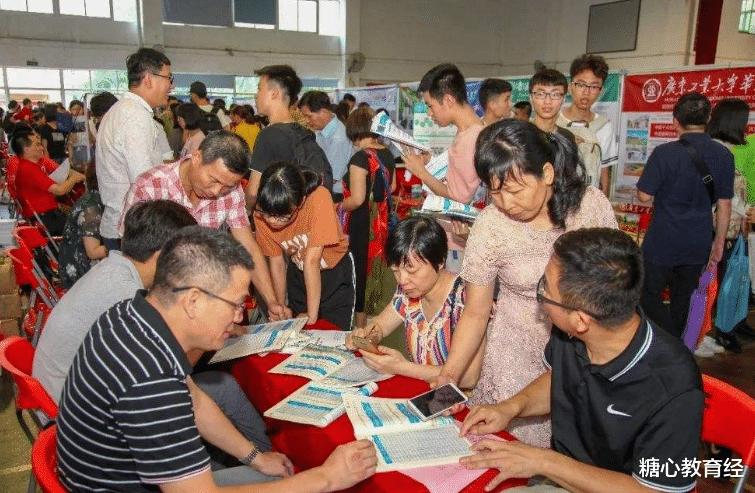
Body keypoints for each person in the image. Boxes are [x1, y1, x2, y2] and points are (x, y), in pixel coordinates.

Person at [55, 226, 377, 492]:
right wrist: (326, 477)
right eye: (236, 304)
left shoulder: (131, 316)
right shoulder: (150, 381)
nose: (239, 316)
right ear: (194, 300)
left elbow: (194, 400)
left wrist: (255, 457)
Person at [459, 228, 703, 493]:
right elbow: (561, 378)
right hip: (560, 478)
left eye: (545, 290)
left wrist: (542, 461)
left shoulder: (674, 386)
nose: (541, 298)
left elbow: (653, 491)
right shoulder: (571, 332)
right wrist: (511, 408)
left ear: (581, 320)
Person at [436, 119, 617, 448]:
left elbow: (616, 283)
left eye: (515, 190)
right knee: (514, 451)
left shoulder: (590, 207)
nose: (505, 203)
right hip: (517, 354)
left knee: (578, 452)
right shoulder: (491, 225)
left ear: (547, 173)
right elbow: (476, 314)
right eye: (495, 191)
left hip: (585, 349)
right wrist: (449, 376)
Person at [121, 130, 289, 322]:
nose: (218, 191)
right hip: (157, 299)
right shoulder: (150, 186)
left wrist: (272, 302)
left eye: (228, 186)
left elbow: (248, 247)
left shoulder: (232, 192)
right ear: (196, 157)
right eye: (213, 180)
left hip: (203, 294)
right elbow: (132, 258)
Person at [637, 92, 734, 338]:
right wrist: (719, 243)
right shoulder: (724, 155)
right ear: (709, 118)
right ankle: (678, 345)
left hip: (663, 238)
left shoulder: (664, 153)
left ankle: (663, 339)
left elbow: (644, 197)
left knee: (646, 293)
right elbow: (724, 204)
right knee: (684, 298)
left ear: (675, 120)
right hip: (699, 239)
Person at [345, 216, 483, 386]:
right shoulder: (408, 293)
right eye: (396, 270)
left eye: (412, 271)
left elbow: (469, 377)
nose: (402, 280)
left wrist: (402, 367)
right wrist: (365, 336)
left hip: (462, 402)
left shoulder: (466, 300)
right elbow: (380, 326)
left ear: (439, 261)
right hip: (422, 390)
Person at [254, 162, 355, 330]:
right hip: (299, 273)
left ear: (300, 201)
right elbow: (277, 263)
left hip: (333, 273)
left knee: (333, 333)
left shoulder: (318, 198)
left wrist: (311, 315)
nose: (273, 222)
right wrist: (280, 307)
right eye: (268, 215)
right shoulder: (261, 211)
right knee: (299, 335)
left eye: (283, 217)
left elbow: (312, 261)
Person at [96, 47, 175, 251]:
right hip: (131, 231)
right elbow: (144, 182)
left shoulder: (123, 110)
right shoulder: (135, 117)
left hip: (124, 225)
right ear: (149, 79)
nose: (171, 86)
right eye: (168, 78)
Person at [701, 98, 751, 354]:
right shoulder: (717, 152)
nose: (748, 125)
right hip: (714, 231)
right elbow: (719, 198)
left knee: (714, 285)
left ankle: (702, 333)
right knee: (704, 286)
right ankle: (695, 337)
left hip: (726, 231)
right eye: (745, 120)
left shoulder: (724, 150)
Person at [341, 107, 396, 329]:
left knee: (359, 273)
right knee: (375, 268)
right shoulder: (387, 153)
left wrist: (337, 205)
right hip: (381, 222)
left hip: (362, 223)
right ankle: (374, 325)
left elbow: (356, 199)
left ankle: (361, 329)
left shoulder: (360, 158)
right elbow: (390, 187)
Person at [246, 65, 333, 206]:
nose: (256, 95)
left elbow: (253, 193)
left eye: (259, 89)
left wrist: (246, 213)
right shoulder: (304, 132)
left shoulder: (268, 135)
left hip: (276, 218)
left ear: (274, 93)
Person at [402, 63, 484, 205]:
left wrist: (421, 172)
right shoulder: (468, 130)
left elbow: (459, 198)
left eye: (430, 105)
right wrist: (430, 161)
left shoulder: (470, 138)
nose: (429, 112)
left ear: (448, 100)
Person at [557, 54, 618, 196]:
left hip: (588, 203)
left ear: (601, 91)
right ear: (571, 86)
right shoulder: (554, 122)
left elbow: (604, 173)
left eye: (594, 86)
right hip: (555, 203)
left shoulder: (604, 126)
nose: (586, 92)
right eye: (581, 84)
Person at [10, 130, 85, 235]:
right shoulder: (29, 169)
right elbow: (60, 190)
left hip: (46, 216)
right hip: (47, 220)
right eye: (38, 145)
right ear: (26, 150)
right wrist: (74, 178)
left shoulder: (29, 167)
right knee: (87, 227)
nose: (42, 148)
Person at [299, 90, 355, 201]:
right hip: (321, 189)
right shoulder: (320, 130)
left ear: (323, 112)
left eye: (309, 116)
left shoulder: (339, 138)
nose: (306, 121)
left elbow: (330, 177)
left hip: (333, 194)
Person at [57, 163, 106, 288]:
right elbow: (93, 252)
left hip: (77, 265)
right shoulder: (92, 207)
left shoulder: (92, 197)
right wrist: (122, 247)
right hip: (81, 273)